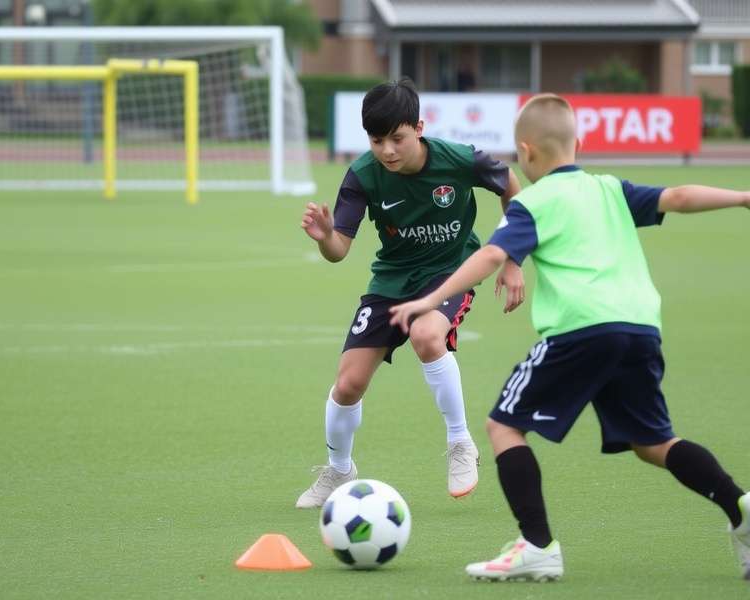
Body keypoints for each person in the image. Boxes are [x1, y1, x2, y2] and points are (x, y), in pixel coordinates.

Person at [389, 93, 750, 581]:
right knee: (652, 442)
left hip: (583, 329)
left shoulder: (534, 202)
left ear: (526, 151)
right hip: (641, 327)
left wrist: (430, 300)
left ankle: (536, 547)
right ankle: (740, 506)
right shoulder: (609, 189)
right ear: (578, 142)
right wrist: (744, 196)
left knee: (502, 427)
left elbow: (492, 256)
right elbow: (679, 197)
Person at [295, 78, 524, 508]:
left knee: (426, 336)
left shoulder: (458, 159)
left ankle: (460, 443)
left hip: (449, 273)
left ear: (418, 127)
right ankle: (339, 471)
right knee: (347, 385)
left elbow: (511, 186)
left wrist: (512, 258)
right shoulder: (363, 174)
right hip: (392, 281)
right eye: (377, 140)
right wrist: (325, 236)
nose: (387, 151)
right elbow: (338, 251)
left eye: (396, 138)